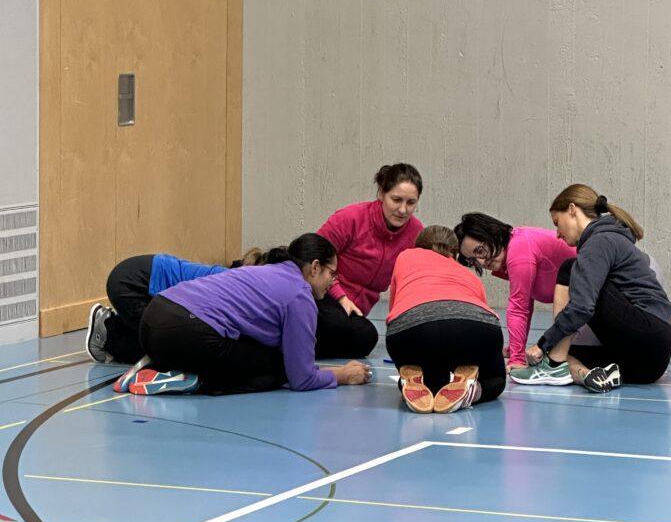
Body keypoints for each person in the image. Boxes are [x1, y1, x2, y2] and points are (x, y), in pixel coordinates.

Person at [116, 234, 372, 396]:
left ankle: (157, 364)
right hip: (183, 331)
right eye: (331, 273)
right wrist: (344, 375)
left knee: (253, 355)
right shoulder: (300, 295)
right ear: (315, 268)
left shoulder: (268, 271)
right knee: (275, 371)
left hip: (152, 319)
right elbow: (301, 378)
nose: (333, 281)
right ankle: (191, 380)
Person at [455, 212, 671, 369]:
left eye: (480, 251)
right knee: (573, 351)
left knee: (561, 351)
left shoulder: (518, 250)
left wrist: (517, 359)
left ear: (491, 234)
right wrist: (519, 350)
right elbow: (526, 307)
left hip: (632, 287)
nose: (481, 262)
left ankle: (666, 317)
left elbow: (519, 308)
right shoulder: (509, 255)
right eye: (472, 260)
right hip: (605, 294)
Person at [509, 185, 671, 393]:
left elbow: (582, 308)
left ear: (572, 209)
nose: (557, 234)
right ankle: (583, 374)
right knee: (572, 353)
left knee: (569, 269)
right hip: (648, 366)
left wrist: (544, 343)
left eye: (557, 223)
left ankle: (553, 363)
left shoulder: (598, 242)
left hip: (647, 336)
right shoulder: (610, 238)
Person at [385, 226, 506, 413]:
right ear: (455, 253)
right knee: (496, 380)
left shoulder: (406, 256)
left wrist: (402, 349)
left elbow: (394, 309)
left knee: (430, 372)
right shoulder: (469, 275)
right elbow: (482, 309)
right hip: (476, 327)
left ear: (418, 246)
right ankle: (472, 391)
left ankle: (412, 382)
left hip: (414, 327)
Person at [316, 163, 424, 358]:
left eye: (411, 203)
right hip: (324, 296)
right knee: (338, 325)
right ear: (381, 193)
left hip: (353, 312)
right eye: (396, 200)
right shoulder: (350, 218)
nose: (402, 209)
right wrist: (341, 297)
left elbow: (416, 282)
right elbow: (314, 258)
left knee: (366, 337)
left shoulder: (416, 233)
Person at [85, 248, 263, 366]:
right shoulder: (231, 283)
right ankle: (108, 335)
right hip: (131, 283)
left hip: (132, 276)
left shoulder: (232, 279)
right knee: (164, 346)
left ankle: (114, 324)